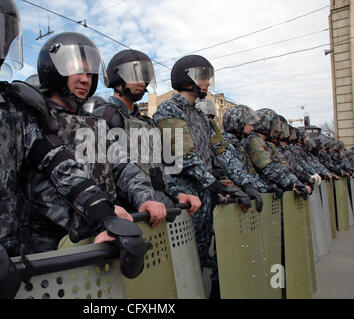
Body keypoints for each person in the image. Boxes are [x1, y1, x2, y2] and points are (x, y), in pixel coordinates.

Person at [0, 0, 144, 298]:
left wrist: (102, 213)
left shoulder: (13, 105)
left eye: (0, 36)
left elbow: (57, 164)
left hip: (10, 261)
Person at [27, 33, 166, 258]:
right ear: (52, 70)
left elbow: (122, 165)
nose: (85, 79)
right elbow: (40, 189)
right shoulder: (36, 118)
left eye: (90, 73)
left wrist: (146, 197)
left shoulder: (94, 123)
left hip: (104, 232)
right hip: (57, 245)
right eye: (76, 70)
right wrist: (100, 216)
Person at [152, 54, 253, 299]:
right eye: (203, 77)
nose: (207, 82)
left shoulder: (200, 116)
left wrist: (246, 183)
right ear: (187, 79)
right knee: (181, 266)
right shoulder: (169, 110)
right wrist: (215, 183)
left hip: (204, 199)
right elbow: (183, 156)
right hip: (184, 200)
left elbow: (222, 150)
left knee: (197, 263)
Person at [91, 49, 201, 214]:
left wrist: (177, 193)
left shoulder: (145, 122)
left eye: (145, 75)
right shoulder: (106, 116)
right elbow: (100, 175)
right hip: (130, 213)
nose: (143, 82)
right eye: (135, 75)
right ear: (118, 78)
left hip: (155, 209)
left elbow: (157, 170)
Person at [244, 108, 310, 198]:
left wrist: (296, 182)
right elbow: (269, 168)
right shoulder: (254, 141)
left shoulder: (264, 143)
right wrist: (292, 184)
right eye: (274, 125)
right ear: (266, 125)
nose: (277, 129)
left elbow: (279, 167)